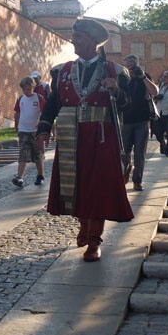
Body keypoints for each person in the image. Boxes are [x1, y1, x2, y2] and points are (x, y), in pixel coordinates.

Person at [36, 19, 134, 263]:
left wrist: (117, 91)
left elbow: (127, 106)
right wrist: (44, 129)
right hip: (71, 135)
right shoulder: (63, 71)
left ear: (91, 40)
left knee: (98, 187)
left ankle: (94, 240)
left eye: (77, 36)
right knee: (77, 185)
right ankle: (84, 225)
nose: (73, 40)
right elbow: (52, 104)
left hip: (101, 137)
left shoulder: (115, 71)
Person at [120, 55, 159, 192]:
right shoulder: (121, 78)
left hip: (142, 121)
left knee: (139, 153)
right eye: (129, 65)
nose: (132, 68)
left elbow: (154, 91)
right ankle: (124, 175)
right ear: (124, 65)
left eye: (134, 65)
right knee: (123, 152)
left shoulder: (144, 76)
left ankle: (137, 180)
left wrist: (142, 77)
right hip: (125, 121)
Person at [12, 76, 46, 187]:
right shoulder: (21, 99)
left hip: (35, 131)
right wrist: (17, 126)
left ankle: (40, 176)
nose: (26, 91)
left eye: (28, 89)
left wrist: (43, 129)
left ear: (33, 88)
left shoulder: (39, 98)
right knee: (22, 153)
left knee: (38, 154)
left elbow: (44, 113)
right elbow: (17, 113)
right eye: (24, 89)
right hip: (23, 130)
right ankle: (19, 177)